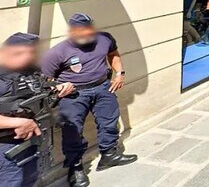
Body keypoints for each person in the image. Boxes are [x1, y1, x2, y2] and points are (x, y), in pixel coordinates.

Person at [41, 14, 136, 187]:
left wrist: (120, 74)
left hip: (103, 87)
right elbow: (45, 81)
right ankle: (76, 168)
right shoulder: (57, 52)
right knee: (72, 132)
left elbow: (113, 54)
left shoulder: (105, 39)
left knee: (109, 122)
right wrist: (59, 88)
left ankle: (109, 155)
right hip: (74, 95)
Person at [0, 33, 74, 186]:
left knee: (30, 179)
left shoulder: (30, 71)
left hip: (32, 139)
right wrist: (18, 123)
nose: (29, 56)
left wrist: (57, 89)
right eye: (21, 52)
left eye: (32, 52)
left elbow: (39, 93)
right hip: (5, 146)